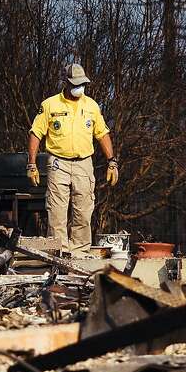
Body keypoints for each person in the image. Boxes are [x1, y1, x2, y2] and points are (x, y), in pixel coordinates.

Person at [27, 63, 118, 250]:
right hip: (58, 162)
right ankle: (57, 251)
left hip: (84, 163)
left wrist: (112, 161)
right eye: (75, 84)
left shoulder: (91, 106)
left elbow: (102, 133)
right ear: (66, 83)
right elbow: (36, 133)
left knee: (84, 209)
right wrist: (32, 164)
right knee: (56, 210)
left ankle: (80, 251)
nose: (79, 88)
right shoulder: (50, 105)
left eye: (82, 84)